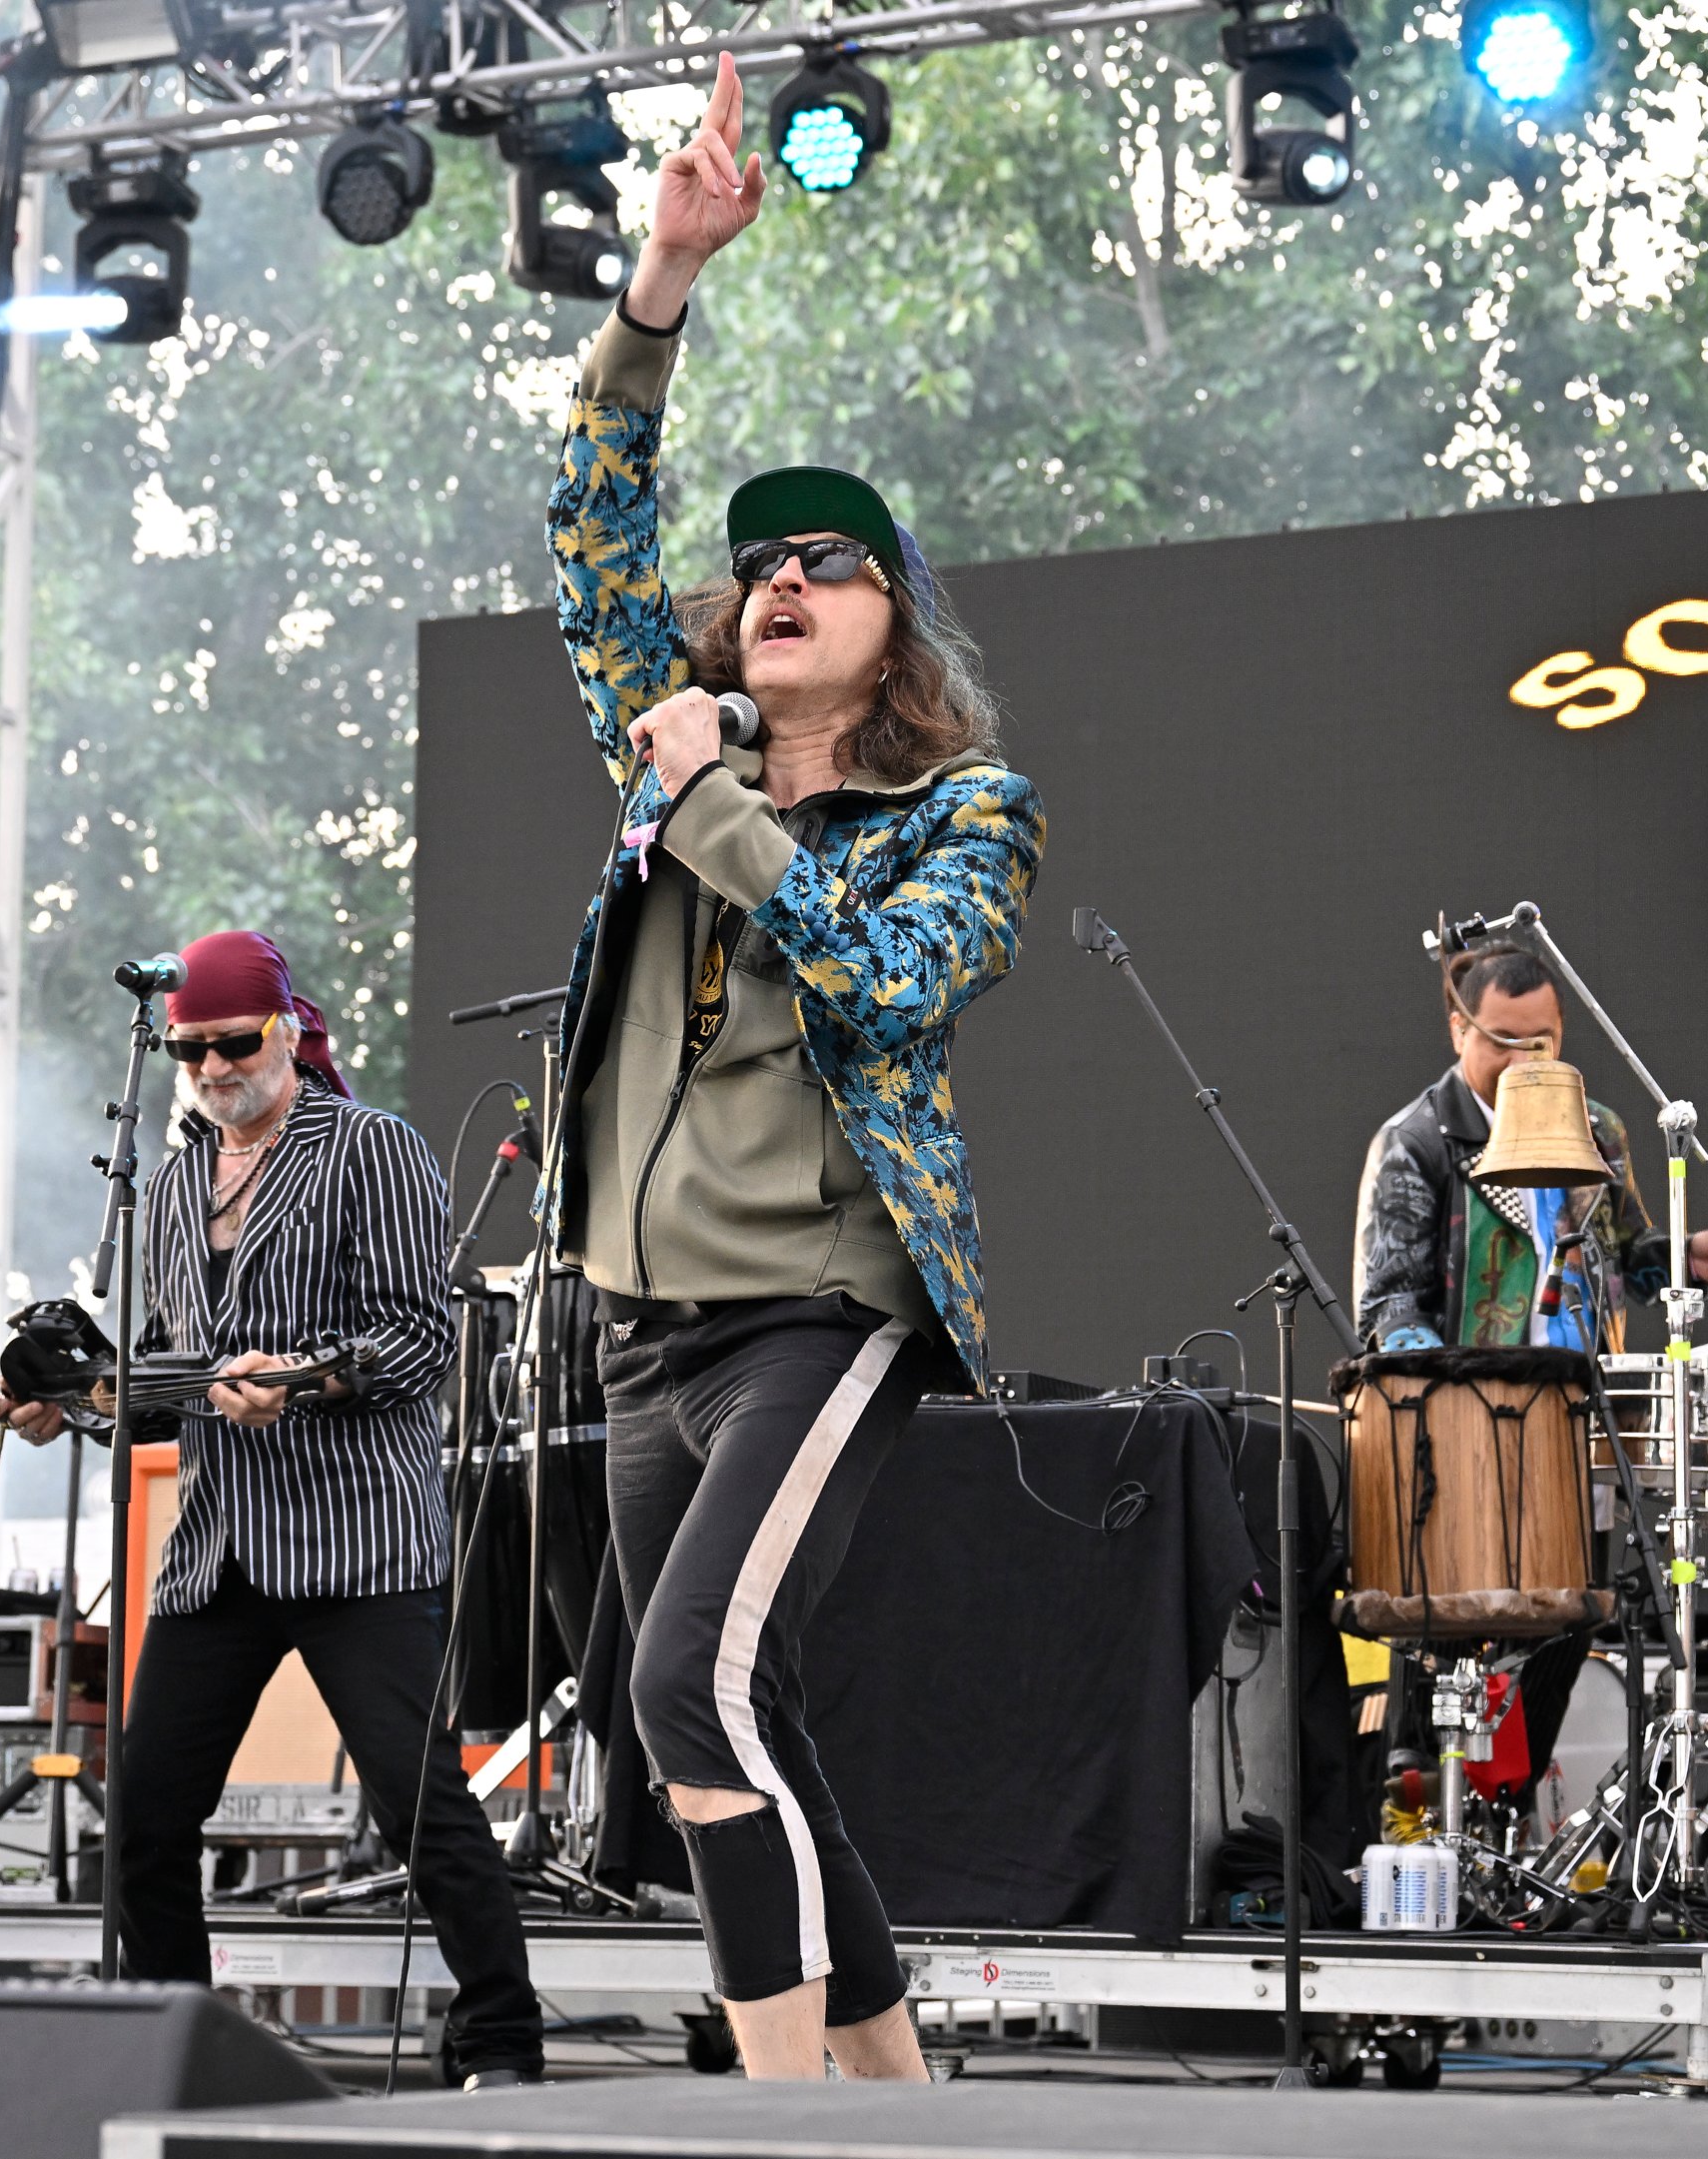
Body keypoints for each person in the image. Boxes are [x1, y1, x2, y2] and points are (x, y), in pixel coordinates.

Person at [541, 52, 1044, 2084]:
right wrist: (663, 279)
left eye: (823, 565)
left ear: (886, 626)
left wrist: (720, 816)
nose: (779, 584)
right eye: (760, 564)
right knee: (746, 1720)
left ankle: (773, 2122)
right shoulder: (675, 748)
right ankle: (906, 2101)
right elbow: (590, 540)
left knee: (689, 1698)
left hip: (823, 1308)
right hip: (645, 1326)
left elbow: (891, 988)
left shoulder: (964, 810)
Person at [0, 929, 543, 2089]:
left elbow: (418, 1337)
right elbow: (171, 1370)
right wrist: (78, 1405)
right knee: (144, 1823)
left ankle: (502, 2044)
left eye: (234, 1042)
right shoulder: (178, 1175)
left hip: (357, 1542)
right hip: (220, 1553)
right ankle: (173, 2048)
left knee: (424, 1811)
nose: (211, 1068)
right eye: (191, 1050)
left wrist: (304, 1374)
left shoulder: (371, 1149)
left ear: (289, 1030)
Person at [1352, 940, 1708, 1353]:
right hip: (1474, 1403)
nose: (1521, 1063)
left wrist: (1687, 1259)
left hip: (1591, 1399)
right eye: (1502, 1041)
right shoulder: (1414, 1144)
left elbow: (1626, 1259)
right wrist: (1454, 1401)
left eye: (1539, 1043)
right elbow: (1390, 1308)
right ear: (1459, 1030)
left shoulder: (1599, 1129)